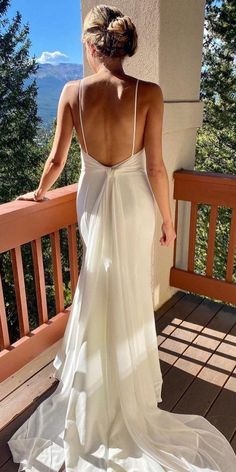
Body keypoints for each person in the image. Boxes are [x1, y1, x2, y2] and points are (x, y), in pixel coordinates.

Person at [8, 4, 236, 472]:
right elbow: (155, 167)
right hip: (134, 202)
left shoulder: (72, 92)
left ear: (92, 46)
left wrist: (39, 192)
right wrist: (167, 219)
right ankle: (127, 382)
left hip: (93, 198)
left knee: (98, 281)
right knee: (129, 287)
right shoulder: (148, 92)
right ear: (124, 46)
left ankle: (97, 382)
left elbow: (55, 160)